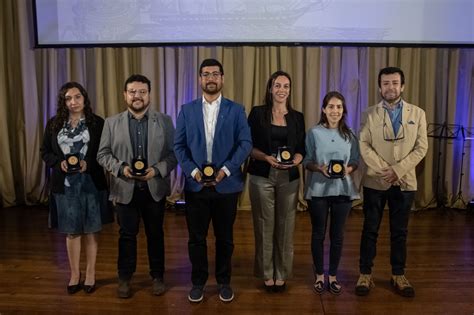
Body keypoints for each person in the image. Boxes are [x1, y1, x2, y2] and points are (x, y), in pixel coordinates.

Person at [174, 58, 252, 303]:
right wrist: (193, 172)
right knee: (196, 238)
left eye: (215, 74)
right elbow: (179, 146)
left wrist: (226, 170)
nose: (210, 78)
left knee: (225, 238)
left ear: (222, 78)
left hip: (226, 186)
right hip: (196, 186)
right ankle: (198, 282)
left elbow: (245, 144)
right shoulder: (186, 110)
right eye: (206, 74)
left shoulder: (236, 110)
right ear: (199, 79)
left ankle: (223, 281)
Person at [97, 74, 177, 298]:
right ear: (125, 95)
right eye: (132, 91)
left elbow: (174, 154)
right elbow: (102, 155)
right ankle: (124, 278)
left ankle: (157, 276)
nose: (137, 96)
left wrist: (157, 170)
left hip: (154, 188)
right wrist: (121, 168)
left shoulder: (165, 121)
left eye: (142, 91)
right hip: (125, 188)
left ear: (149, 94)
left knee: (155, 235)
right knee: (126, 236)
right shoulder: (112, 123)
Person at [355, 67, 428, 297]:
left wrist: (398, 170)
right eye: (386, 83)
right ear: (379, 87)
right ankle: (365, 274)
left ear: (402, 86)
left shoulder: (418, 113)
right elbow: (363, 144)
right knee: (370, 230)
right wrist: (384, 170)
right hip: (375, 181)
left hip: (405, 182)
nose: (390, 87)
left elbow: (421, 147)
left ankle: (398, 274)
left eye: (395, 83)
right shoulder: (369, 113)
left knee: (400, 231)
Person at [41, 82, 111, 295]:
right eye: (68, 98)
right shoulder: (54, 124)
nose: (73, 102)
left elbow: (104, 152)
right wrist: (57, 163)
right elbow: (45, 151)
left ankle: (90, 273)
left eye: (77, 97)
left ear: (84, 98)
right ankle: (74, 274)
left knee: (91, 230)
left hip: (91, 183)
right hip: (65, 186)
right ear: (64, 102)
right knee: (72, 232)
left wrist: (87, 164)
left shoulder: (98, 122)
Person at [247, 71, 305, 292]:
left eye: (286, 86)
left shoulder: (297, 117)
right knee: (264, 225)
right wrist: (266, 157)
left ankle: (282, 272)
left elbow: (302, 149)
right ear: (270, 88)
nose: (282, 90)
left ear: (290, 90)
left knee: (286, 226)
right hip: (262, 174)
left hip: (289, 178)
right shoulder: (257, 113)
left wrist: (296, 161)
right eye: (278, 85)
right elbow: (248, 146)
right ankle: (267, 272)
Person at [303, 91, 359, 295]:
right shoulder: (313, 133)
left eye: (339, 107)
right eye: (331, 107)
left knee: (338, 235)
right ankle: (319, 274)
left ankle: (333, 275)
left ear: (343, 111)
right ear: (324, 109)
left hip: (343, 191)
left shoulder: (350, 135)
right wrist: (320, 169)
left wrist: (348, 170)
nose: (335, 111)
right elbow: (307, 161)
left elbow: (355, 161)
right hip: (318, 190)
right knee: (318, 234)